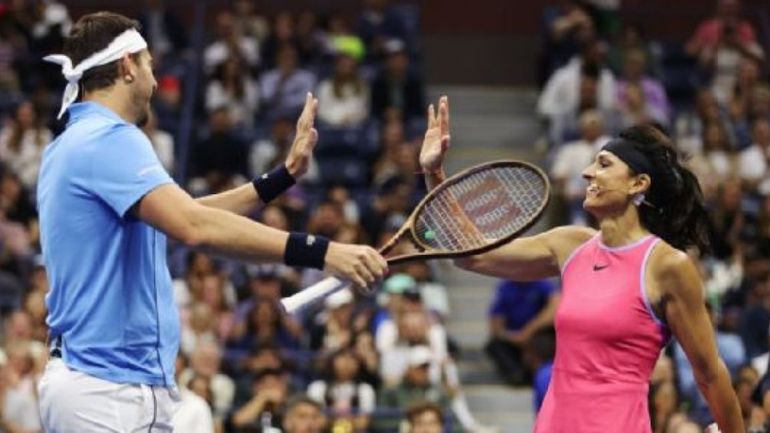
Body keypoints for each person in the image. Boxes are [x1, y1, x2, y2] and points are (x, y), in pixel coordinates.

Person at [35, 12, 387, 432]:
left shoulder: (75, 142)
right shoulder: (109, 139)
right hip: (108, 390)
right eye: (149, 64)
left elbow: (187, 213)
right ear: (127, 66)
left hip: (104, 387)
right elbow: (194, 227)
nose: (153, 77)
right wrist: (322, 251)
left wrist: (281, 178)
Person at [419, 96, 744, 432]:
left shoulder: (667, 265)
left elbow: (708, 373)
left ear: (638, 183)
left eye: (603, 164)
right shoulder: (570, 244)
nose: (588, 172)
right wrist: (434, 174)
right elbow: (475, 254)